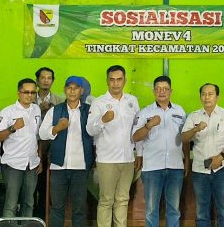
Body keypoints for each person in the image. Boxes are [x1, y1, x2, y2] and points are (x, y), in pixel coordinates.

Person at [86, 65, 140, 227]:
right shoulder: (99, 102)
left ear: (125, 81)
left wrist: (140, 153)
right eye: (112, 80)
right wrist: (103, 120)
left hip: (128, 158)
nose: (115, 83)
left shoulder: (132, 101)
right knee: (106, 200)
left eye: (119, 79)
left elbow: (137, 129)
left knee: (123, 200)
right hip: (107, 160)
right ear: (107, 81)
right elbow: (90, 130)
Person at [182, 83, 224, 227]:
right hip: (200, 170)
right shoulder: (194, 116)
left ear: (217, 97)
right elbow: (184, 139)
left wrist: (220, 157)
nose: (206, 97)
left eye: (210, 94)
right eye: (203, 94)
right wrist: (195, 129)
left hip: (221, 170)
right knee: (201, 212)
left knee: (223, 210)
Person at [39, 76, 93, 227]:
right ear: (64, 90)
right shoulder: (55, 110)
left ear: (81, 91)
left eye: (76, 88)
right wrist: (57, 128)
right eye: (69, 87)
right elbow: (42, 134)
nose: (72, 91)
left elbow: (96, 133)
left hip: (81, 166)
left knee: (79, 209)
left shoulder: (89, 111)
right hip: (58, 166)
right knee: (57, 207)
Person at [132, 76, 186, 227]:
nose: (162, 92)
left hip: (175, 167)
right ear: (154, 91)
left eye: (165, 89)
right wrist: (149, 125)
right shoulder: (145, 112)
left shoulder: (180, 111)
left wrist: (186, 160)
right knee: (151, 210)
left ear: (171, 91)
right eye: (158, 88)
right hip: (152, 168)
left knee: (174, 209)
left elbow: (185, 137)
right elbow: (135, 137)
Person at [0, 78, 42, 217]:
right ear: (18, 93)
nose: (30, 95)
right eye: (26, 92)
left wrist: (39, 158)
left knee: (29, 201)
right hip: (13, 163)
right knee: (11, 203)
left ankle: (27, 224)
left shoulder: (36, 109)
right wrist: (13, 128)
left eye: (33, 92)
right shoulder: (8, 112)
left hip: (32, 164)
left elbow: (37, 137)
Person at [34, 66, 64, 220]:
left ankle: (44, 219)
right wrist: (39, 110)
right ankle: (31, 219)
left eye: (49, 78)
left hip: (51, 150)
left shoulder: (59, 101)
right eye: (43, 78)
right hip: (32, 149)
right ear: (37, 80)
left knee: (47, 189)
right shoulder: (29, 98)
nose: (46, 81)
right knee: (31, 189)